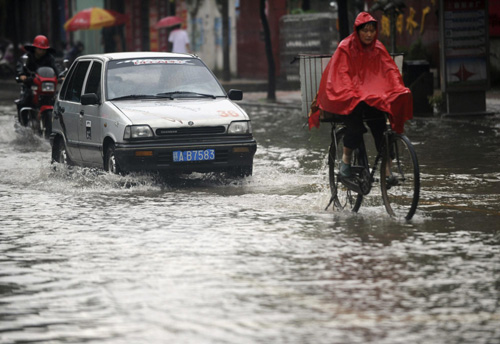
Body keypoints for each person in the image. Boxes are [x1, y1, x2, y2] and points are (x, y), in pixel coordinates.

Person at [309, 12, 413, 179]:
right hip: (349, 98)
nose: (369, 34)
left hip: (370, 97)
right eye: (365, 31)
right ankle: (346, 160)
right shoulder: (345, 47)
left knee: (381, 126)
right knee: (355, 129)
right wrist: (354, 93)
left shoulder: (378, 48)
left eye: (372, 30)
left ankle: (387, 167)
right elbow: (341, 74)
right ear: (357, 31)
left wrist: (398, 88)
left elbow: (390, 70)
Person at [15, 35, 61, 111]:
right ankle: (24, 119)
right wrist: (21, 74)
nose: (42, 51)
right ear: (35, 48)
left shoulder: (49, 57)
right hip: (31, 83)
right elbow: (20, 66)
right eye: (40, 49)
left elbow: (56, 66)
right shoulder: (27, 57)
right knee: (26, 99)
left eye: (44, 49)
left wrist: (61, 75)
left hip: (46, 84)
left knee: (56, 98)